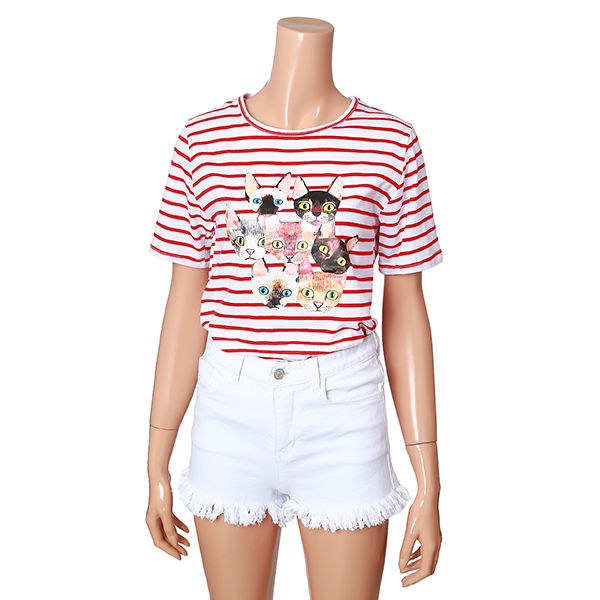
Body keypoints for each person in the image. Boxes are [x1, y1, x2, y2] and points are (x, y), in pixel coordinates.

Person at [146, 16, 443, 599]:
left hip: (343, 408)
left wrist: (429, 478)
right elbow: (184, 300)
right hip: (229, 406)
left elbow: (406, 307)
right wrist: (156, 454)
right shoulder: (202, 140)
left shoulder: (391, 143)